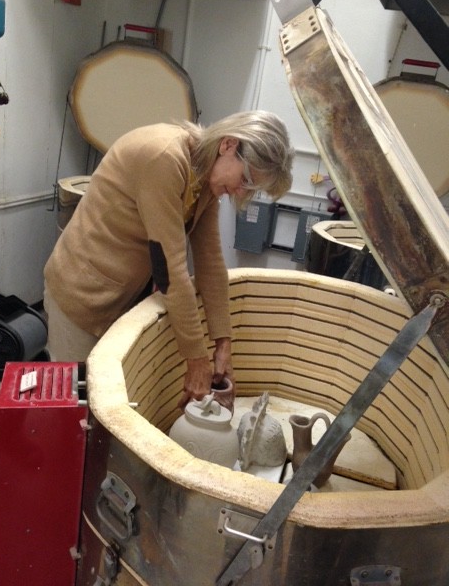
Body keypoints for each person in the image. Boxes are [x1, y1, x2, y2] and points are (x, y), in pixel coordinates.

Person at [43, 110, 294, 410]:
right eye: (246, 179)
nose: (241, 191)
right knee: (76, 408)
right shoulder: (163, 158)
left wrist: (223, 345)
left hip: (121, 295)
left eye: (252, 189)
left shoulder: (204, 177)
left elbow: (211, 262)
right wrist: (197, 359)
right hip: (81, 293)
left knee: (104, 407)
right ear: (229, 145)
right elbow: (170, 269)